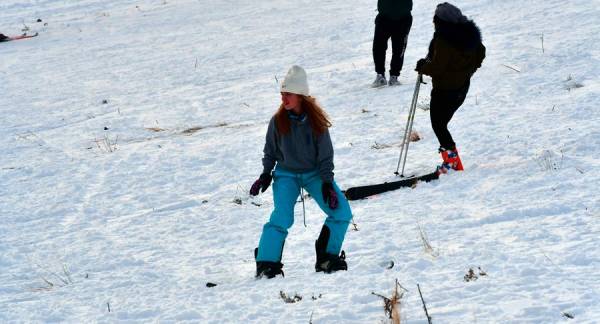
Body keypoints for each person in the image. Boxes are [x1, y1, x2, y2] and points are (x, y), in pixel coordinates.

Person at [250, 65, 353, 279]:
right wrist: (265, 174)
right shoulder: (277, 121)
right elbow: (270, 151)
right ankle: (267, 262)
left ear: (300, 96)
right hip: (286, 174)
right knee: (282, 216)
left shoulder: (317, 122)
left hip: (315, 174)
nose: (283, 99)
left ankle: (327, 257)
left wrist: (327, 183)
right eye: (282, 94)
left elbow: (326, 156)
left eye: (288, 94)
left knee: (342, 212)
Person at [415, 2, 485, 174]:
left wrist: (423, 66)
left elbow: (437, 67)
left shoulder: (444, 41)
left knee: (439, 125)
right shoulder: (469, 35)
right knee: (441, 124)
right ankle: (452, 160)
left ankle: (453, 162)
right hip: (461, 88)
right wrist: (467, 71)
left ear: (439, 21)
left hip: (444, 91)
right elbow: (481, 52)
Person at [371, 0, 413, 87]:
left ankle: (394, 76)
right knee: (378, 47)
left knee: (399, 48)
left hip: (403, 18)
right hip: (384, 17)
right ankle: (380, 75)